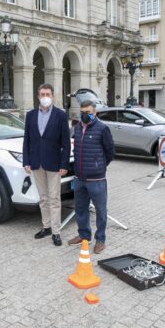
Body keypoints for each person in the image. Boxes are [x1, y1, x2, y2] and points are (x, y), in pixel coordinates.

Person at [23, 83, 70, 246]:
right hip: (36, 163)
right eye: (42, 94)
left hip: (54, 163)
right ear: (38, 96)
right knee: (43, 198)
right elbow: (27, 140)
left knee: (54, 198)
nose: (45, 97)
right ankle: (46, 226)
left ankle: (56, 232)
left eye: (48, 94)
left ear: (53, 96)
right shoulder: (30, 115)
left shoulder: (61, 115)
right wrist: (26, 161)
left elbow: (66, 142)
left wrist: (64, 164)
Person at [68, 100, 114, 254]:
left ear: (95, 113)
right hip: (79, 178)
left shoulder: (103, 128)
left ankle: (100, 239)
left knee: (101, 210)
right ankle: (84, 235)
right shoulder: (78, 127)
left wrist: (99, 166)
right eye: (82, 112)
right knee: (80, 209)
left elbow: (110, 153)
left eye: (88, 112)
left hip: (97, 179)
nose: (85, 115)